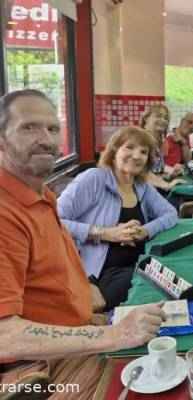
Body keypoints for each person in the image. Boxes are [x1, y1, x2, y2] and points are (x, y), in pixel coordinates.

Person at [0, 89, 167, 399]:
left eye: (52, 129)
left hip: (84, 324)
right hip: (39, 371)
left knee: (170, 339)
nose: (45, 139)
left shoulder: (43, 195)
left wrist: (84, 292)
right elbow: (4, 337)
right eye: (29, 127)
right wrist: (114, 333)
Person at [57, 126, 178, 310]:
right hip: (100, 275)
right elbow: (54, 221)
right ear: (114, 151)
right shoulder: (93, 178)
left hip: (139, 265)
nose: (137, 156)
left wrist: (144, 231)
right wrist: (104, 233)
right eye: (129, 147)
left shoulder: (142, 186)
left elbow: (171, 214)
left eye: (143, 152)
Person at [138, 104, 185, 190]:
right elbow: (141, 172)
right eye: (158, 116)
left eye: (165, 118)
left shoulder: (154, 141)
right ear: (146, 118)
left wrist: (172, 171)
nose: (163, 120)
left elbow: (158, 166)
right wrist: (166, 185)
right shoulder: (141, 139)